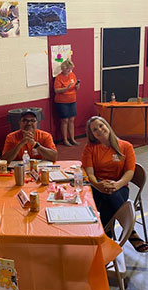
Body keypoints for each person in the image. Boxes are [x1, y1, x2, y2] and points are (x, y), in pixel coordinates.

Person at [82, 116, 148, 253]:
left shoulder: (125, 146)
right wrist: (97, 185)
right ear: (92, 134)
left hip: (120, 186)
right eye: (95, 129)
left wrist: (117, 185)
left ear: (107, 125)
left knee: (109, 198)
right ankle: (129, 234)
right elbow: (89, 173)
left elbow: (129, 172)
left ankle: (105, 238)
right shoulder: (90, 148)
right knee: (106, 197)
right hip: (97, 186)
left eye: (101, 126)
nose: (99, 130)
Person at [54, 59, 80, 146]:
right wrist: (66, 88)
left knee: (71, 120)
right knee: (64, 120)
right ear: (63, 69)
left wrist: (77, 86)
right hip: (62, 101)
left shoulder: (72, 75)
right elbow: (56, 90)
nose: (69, 71)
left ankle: (72, 138)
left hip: (72, 100)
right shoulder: (59, 77)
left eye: (70, 69)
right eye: (68, 69)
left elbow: (75, 86)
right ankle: (65, 140)